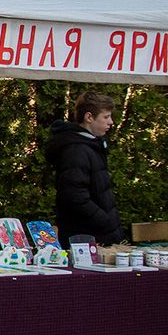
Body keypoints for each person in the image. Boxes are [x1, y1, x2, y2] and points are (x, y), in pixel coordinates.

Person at [46, 90, 126, 246]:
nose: (111, 122)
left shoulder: (92, 145)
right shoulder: (76, 150)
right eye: (106, 117)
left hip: (98, 235)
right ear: (89, 117)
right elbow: (75, 196)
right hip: (86, 239)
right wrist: (104, 220)